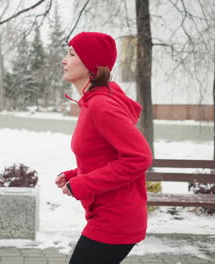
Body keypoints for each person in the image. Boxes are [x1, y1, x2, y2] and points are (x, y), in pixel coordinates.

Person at [55, 32, 153, 264]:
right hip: (106, 215)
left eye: (71, 54)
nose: (64, 60)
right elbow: (104, 157)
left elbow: (139, 158)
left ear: (91, 65)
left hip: (116, 219)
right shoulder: (91, 103)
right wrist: (74, 175)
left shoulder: (101, 105)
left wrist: (83, 184)